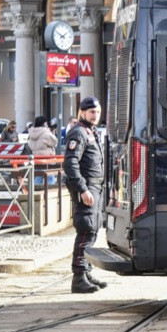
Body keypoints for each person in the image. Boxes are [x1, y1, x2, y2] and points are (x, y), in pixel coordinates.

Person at [63, 97, 107, 294]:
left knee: (93, 229)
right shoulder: (78, 132)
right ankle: (79, 277)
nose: (95, 115)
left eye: (97, 112)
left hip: (95, 186)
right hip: (87, 187)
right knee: (86, 229)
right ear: (82, 112)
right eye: (91, 112)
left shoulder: (90, 131)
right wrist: (83, 189)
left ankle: (86, 272)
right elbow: (70, 163)